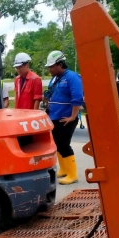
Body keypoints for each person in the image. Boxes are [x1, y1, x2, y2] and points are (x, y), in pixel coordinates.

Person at [44, 50, 84, 185]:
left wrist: (72, 116)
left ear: (60, 64)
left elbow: (77, 98)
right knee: (56, 144)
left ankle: (72, 175)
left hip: (66, 118)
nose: (50, 69)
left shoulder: (72, 77)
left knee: (64, 144)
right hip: (54, 117)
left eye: (51, 66)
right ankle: (64, 169)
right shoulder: (56, 78)